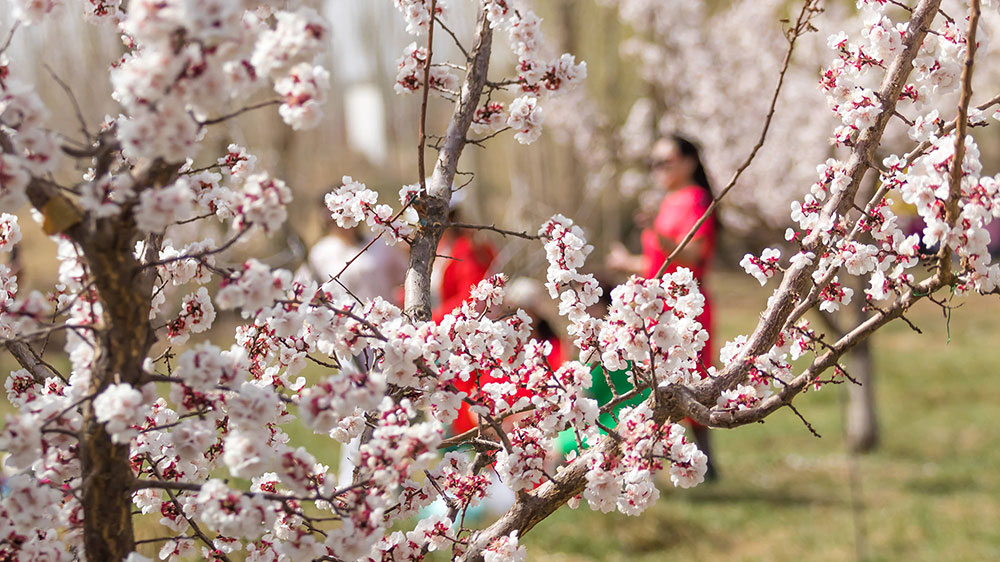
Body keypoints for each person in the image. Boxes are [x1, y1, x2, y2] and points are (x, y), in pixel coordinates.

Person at [607, 134, 719, 480]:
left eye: (665, 162)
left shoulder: (696, 200)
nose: (657, 169)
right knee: (655, 383)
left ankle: (705, 464)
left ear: (688, 162)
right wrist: (627, 262)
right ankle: (654, 460)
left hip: (685, 308)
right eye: (653, 162)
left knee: (691, 382)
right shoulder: (667, 201)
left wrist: (655, 229)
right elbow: (658, 262)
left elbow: (693, 254)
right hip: (654, 308)